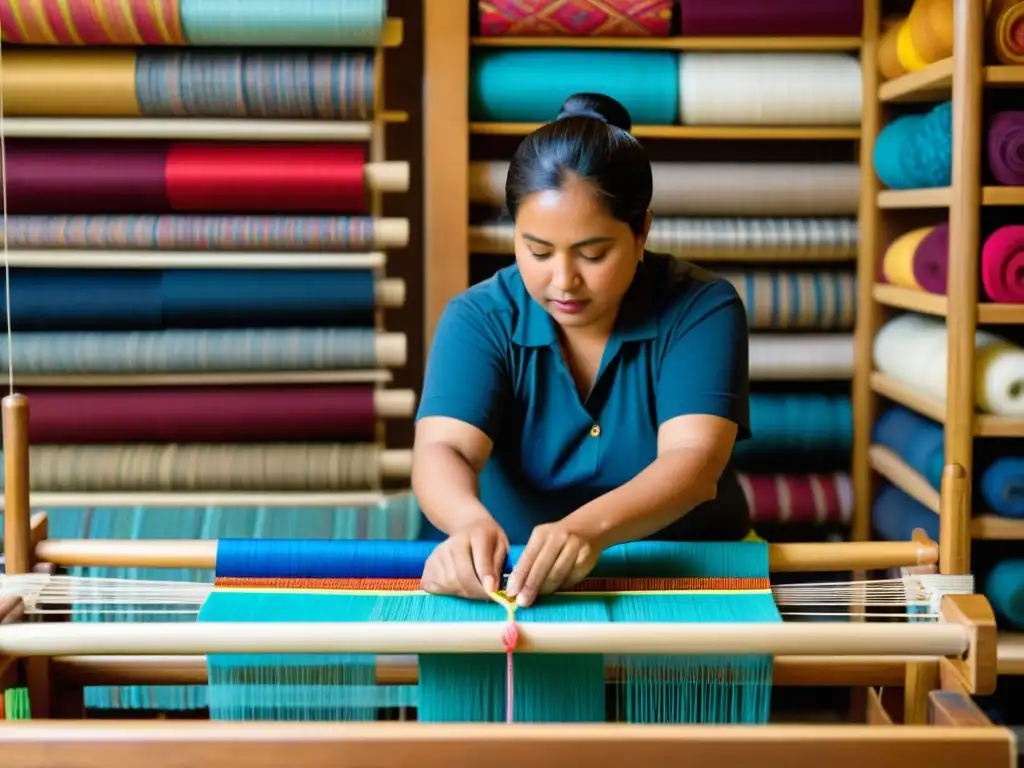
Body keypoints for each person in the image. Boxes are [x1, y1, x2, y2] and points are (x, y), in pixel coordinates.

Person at [412, 92, 751, 609]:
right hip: (509, 589)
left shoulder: (701, 307)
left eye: (593, 254)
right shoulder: (479, 317)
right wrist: (468, 522)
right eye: (538, 252)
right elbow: (445, 449)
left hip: (682, 582)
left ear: (642, 231)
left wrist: (586, 531)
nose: (564, 281)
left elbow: (694, 462)